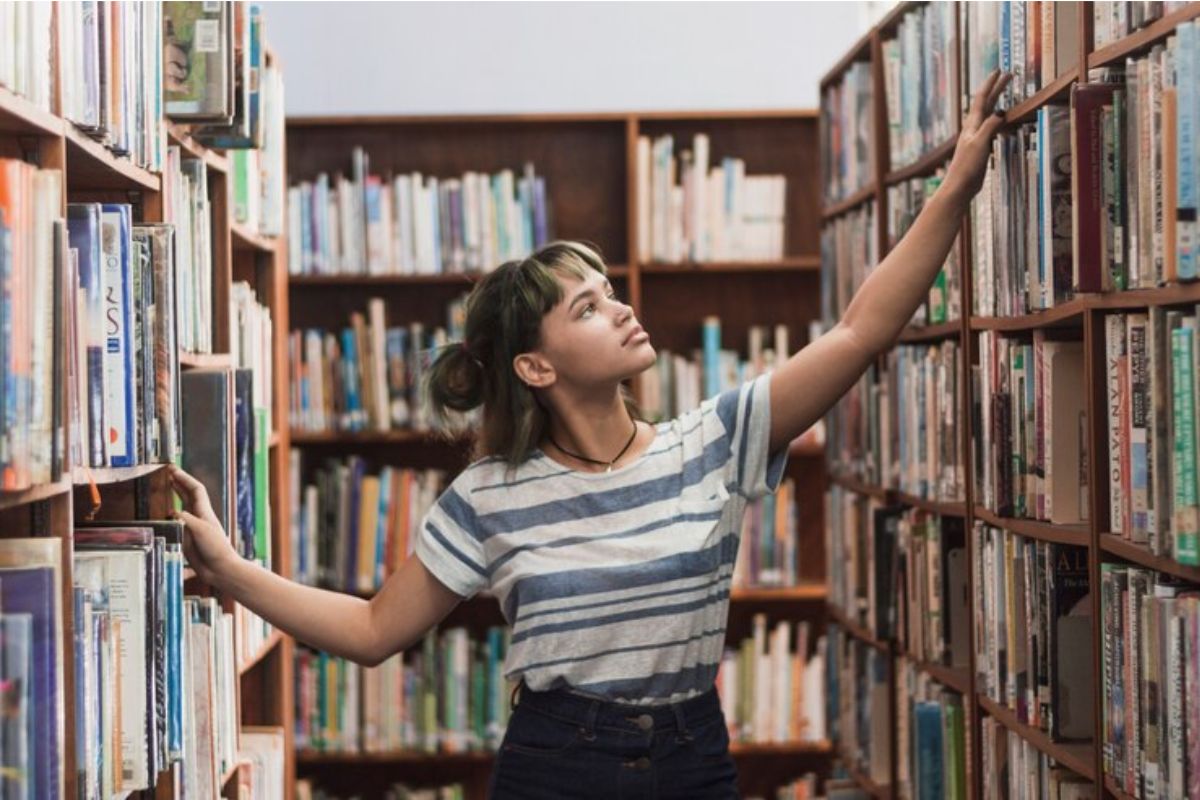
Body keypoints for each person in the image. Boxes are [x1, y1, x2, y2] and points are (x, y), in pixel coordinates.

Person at [170, 70, 1013, 799]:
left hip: (693, 757)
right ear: (536, 368)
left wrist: (958, 186)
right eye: (589, 306)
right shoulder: (491, 495)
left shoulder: (711, 443)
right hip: (555, 768)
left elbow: (859, 334)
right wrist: (231, 570)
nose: (621, 308)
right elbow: (370, 633)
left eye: (611, 291)